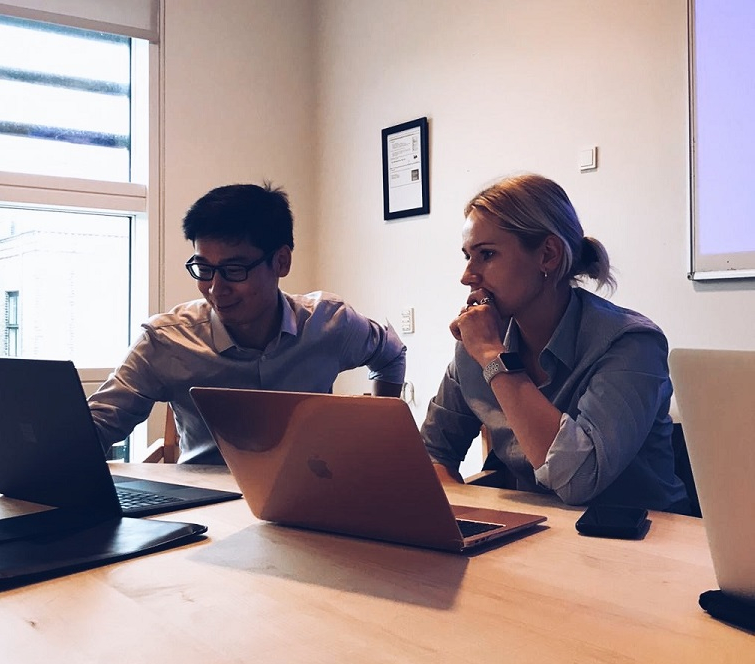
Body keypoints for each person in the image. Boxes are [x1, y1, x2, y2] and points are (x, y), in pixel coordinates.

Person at [421, 174, 688, 510]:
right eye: (467, 257)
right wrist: (456, 516)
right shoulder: (477, 345)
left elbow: (579, 482)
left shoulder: (632, 344)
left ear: (548, 255)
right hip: (541, 532)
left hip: (644, 535)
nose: (467, 276)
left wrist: (494, 358)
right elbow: (432, 453)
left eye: (487, 254)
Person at [90, 182, 406, 465]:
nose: (216, 289)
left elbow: (391, 354)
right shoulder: (166, 341)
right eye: (204, 269)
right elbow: (99, 425)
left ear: (281, 261)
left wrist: (376, 438)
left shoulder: (329, 323)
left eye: (234, 270)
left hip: (306, 496)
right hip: (205, 501)